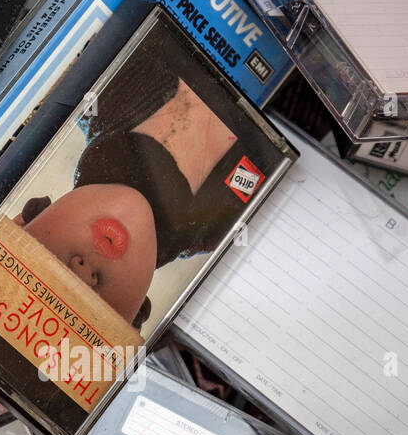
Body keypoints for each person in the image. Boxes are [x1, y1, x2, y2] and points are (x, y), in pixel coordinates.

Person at [14, 38, 246, 328]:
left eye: (42, 276)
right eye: (90, 319)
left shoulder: (90, 80)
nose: (82, 276)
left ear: (25, 219)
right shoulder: (232, 225)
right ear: (135, 318)